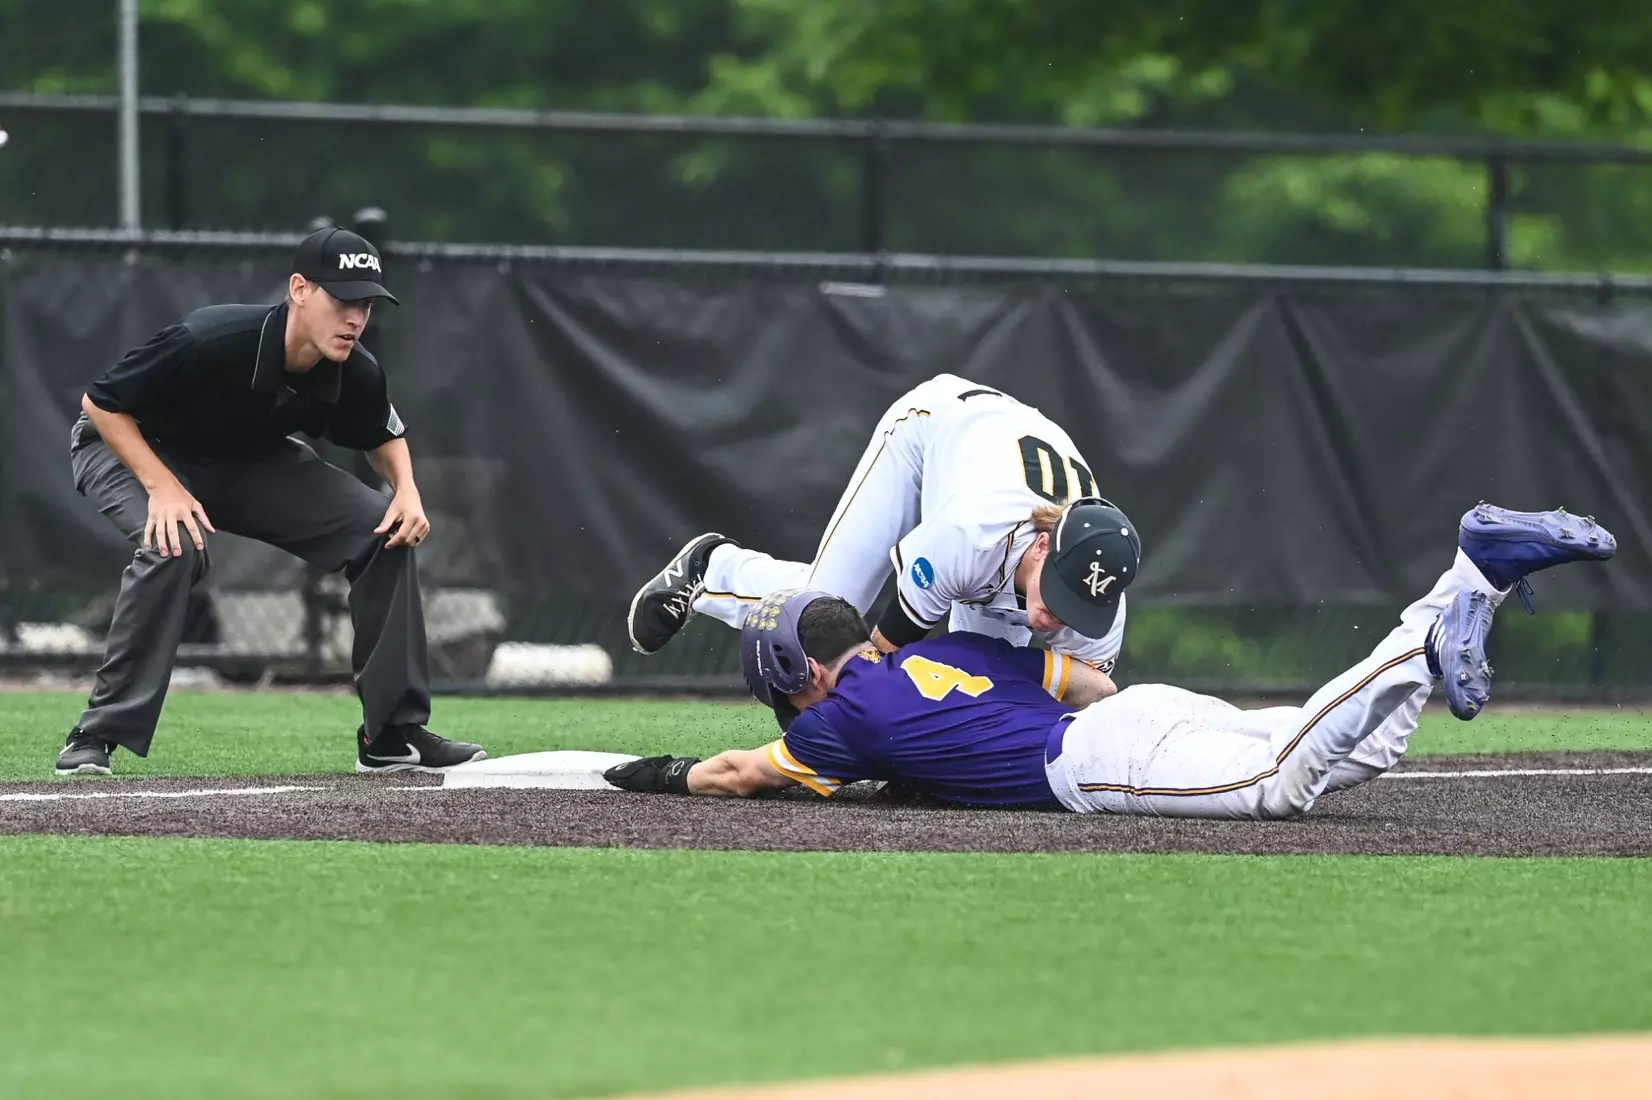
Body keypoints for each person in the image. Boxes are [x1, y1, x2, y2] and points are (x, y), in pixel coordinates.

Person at [604, 504, 1615, 818]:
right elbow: (1086, 678)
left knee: (1278, 783)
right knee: (1345, 756)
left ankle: (1418, 645)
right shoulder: (954, 647)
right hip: (1124, 715)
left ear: (800, 678)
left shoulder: (839, 719)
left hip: (1089, 764)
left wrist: (647, 773)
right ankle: (1469, 576)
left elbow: (736, 772)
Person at [55, 227, 485, 777]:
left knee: (384, 530)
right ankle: (97, 735)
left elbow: (383, 433)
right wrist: (162, 487)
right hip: (130, 448)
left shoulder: (353, 367)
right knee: (174, 545)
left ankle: (391, 734)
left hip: (249, 462)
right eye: (343, 300)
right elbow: (102, 404)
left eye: (367, 304)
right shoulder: (210, 338)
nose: (356, 318)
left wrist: (406, 490)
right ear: (300, 290)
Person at [626, 374, 1141, 673]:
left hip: (1004, 453)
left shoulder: (1099, 599)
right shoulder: (968, 536)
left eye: (1074, 607)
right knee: (825, 617)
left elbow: (1081, 707)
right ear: (1043, 547)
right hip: (931, 431)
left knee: (987, 678)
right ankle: (712, 570)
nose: (1053, 621)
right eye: (1056, 597)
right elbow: (884, 652)